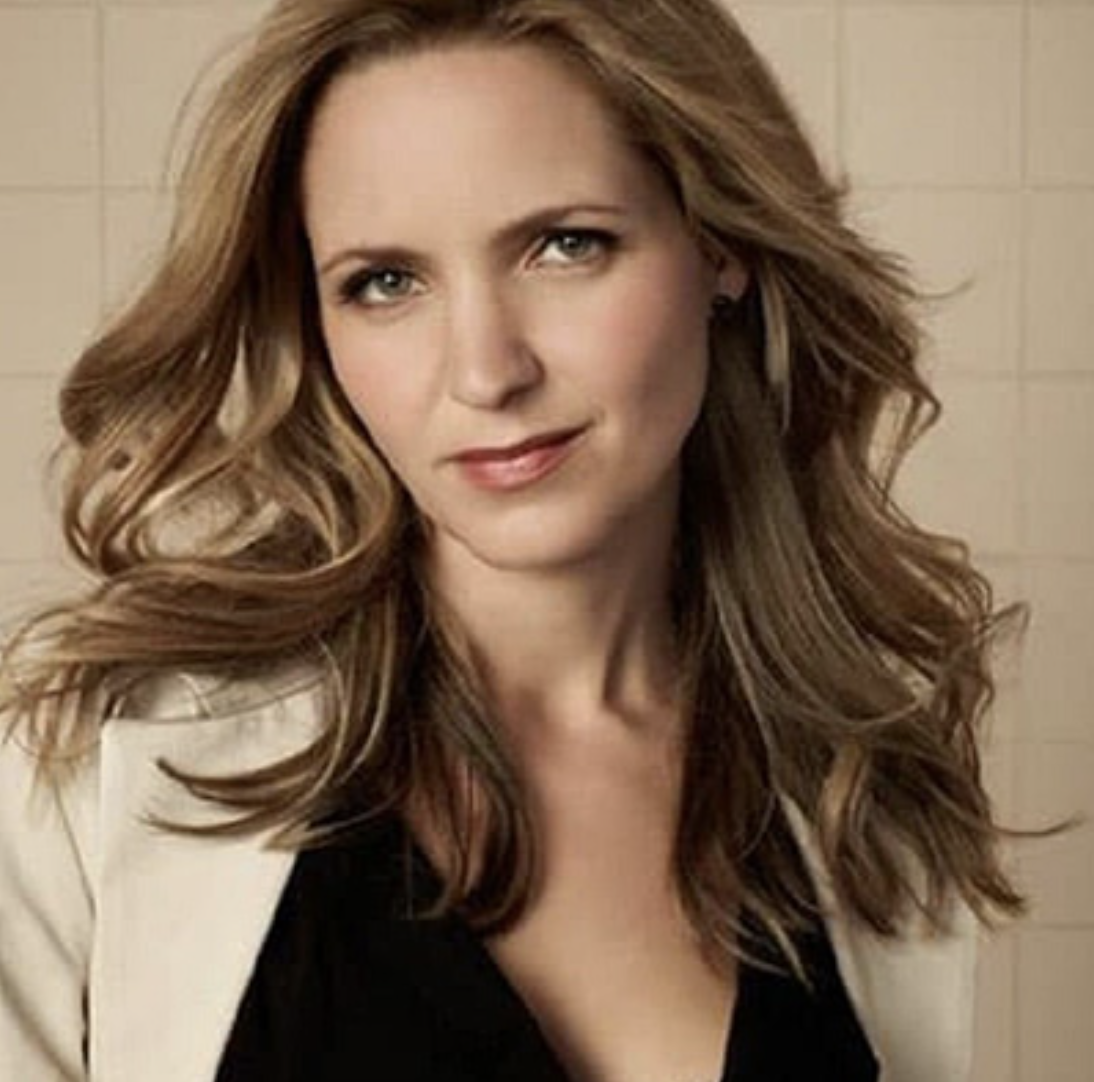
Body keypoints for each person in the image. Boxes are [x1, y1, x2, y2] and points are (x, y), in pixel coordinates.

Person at [0, 0, 1026, 1079]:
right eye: (385, 282)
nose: (486, 372)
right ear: (317, 322)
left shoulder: (864, 786)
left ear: (718, 245)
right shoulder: (90, 760)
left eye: (564, 245)